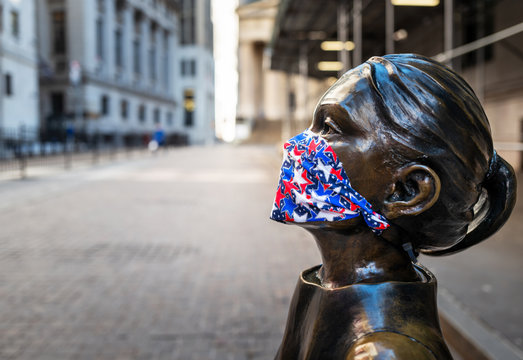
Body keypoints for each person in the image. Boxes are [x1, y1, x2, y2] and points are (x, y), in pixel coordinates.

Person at [270, 54, 516, 359]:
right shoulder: (324, 285)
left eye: (329, 127)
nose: (296, 144)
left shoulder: (386, 353)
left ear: (406, 191)